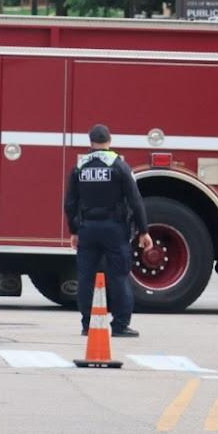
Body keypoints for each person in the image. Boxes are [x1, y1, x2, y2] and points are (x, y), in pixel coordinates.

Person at [63, 124, 151, 337]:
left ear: (90, 142)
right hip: (114, 229)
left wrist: (74, 231)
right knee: (119, 277)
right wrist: (143, 231)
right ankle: (120, 325)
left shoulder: (80, 168)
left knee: (85, 278)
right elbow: (135, 201)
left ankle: (87, 325)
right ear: (109, 141)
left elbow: (69, 203)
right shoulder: (119, 166)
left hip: (87, 229)